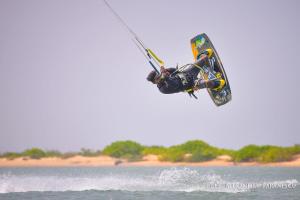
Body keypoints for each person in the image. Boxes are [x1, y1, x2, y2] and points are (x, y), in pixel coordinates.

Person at [147, 49, 225, 95]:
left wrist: (167, 70)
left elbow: (175, 71)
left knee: (206, 55)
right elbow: (175, 85)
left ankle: (210, 68)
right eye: (157, 78)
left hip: (188, 72)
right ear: (155, 82)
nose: (159, 77)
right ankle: (217, 85)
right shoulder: (162, 89)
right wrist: (166, 77)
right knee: (211, 83)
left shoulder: (164, 75)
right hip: (191, 84)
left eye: (158, 75)